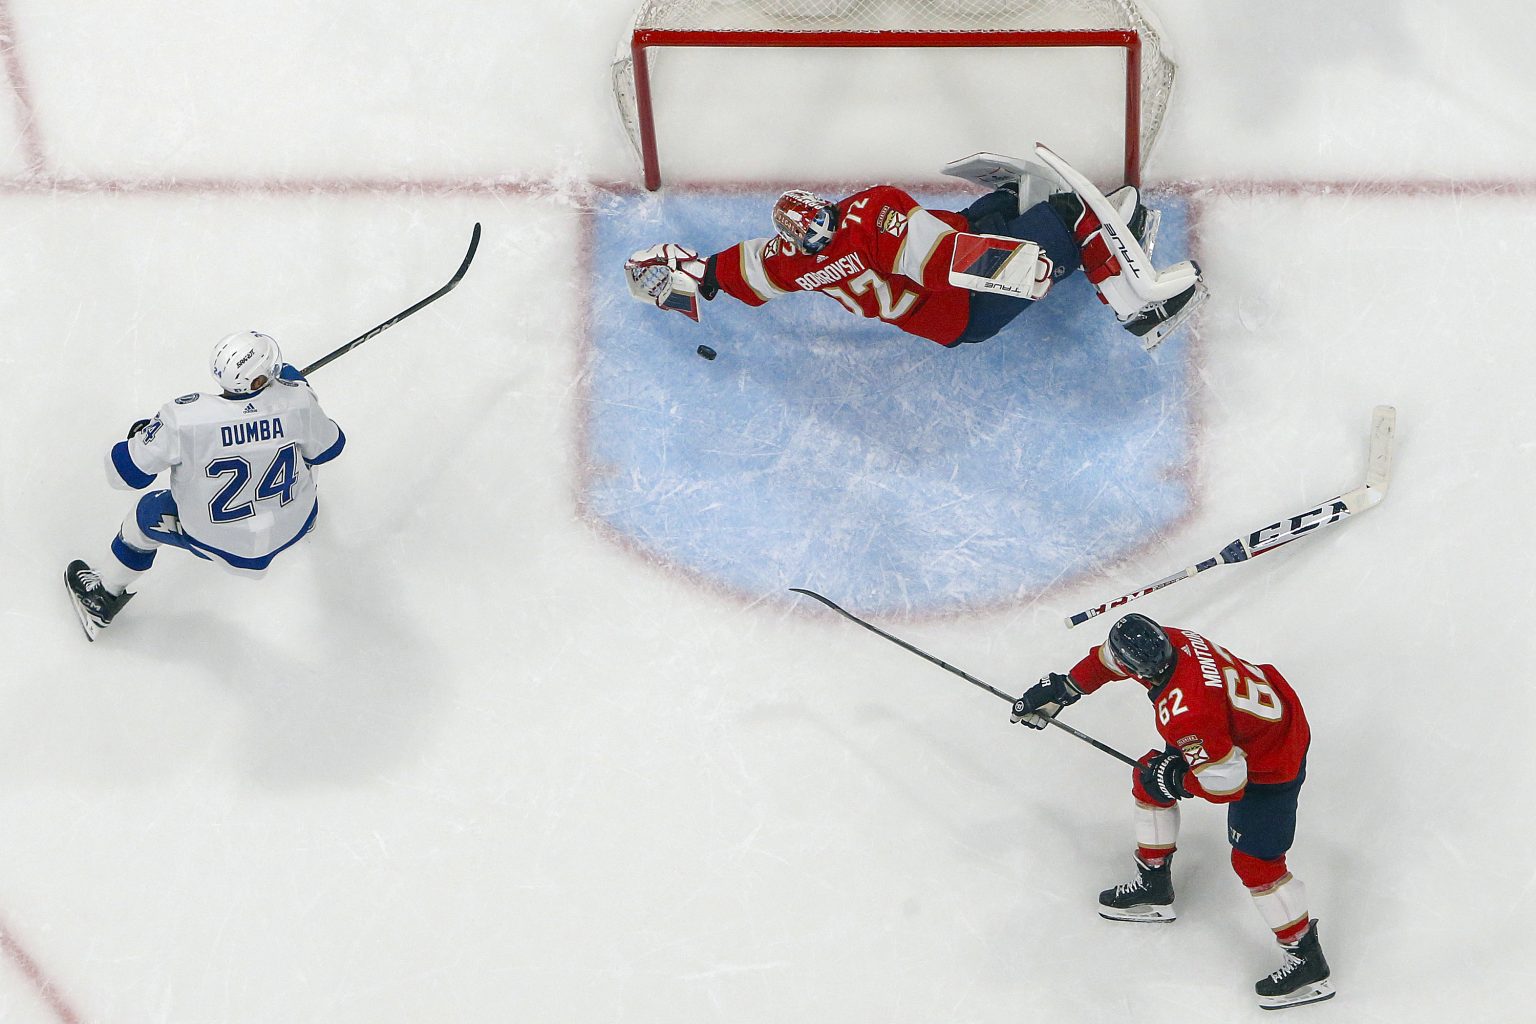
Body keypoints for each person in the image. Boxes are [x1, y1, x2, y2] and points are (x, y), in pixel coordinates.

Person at [1010, 613, 1334, 1011]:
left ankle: (1307, 962)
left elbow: (1227, 784)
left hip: (1269, 760)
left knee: (1257, 865)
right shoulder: (1174, 642)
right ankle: (1153, 885)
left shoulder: (1187, 715)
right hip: (1248, 722)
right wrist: (1067, 687)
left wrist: (1178, 780)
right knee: (1148, 778)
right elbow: (1108, 660)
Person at [623, 150, 1206, 350]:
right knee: (1077, 215)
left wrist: (695, 274)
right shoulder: (873, 216)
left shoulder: (790, 259)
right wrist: (1025, 266)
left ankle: (1018, 219)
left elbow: (739, 270)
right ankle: (1141, 309)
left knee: (1000, 211)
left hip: (936, 316)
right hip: (967, 308)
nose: (822, 234)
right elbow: (941, 260)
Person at [65, 331, 346, 641]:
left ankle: (102, 597)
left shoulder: (185, 418)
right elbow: (331, 447)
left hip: (215, 540)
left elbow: (123, 474)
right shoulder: (299, 403)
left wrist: (146, 435)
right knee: (309, 450)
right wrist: (301, 394)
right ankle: (303, 520)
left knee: (144, 516)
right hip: (295, 523)